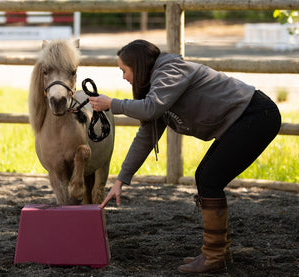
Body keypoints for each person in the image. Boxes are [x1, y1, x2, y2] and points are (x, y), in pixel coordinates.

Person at [89, 39, 281, 273]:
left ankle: (214, 256)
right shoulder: (157, 88)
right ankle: (218, 251)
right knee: (204, 176)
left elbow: (150, 108)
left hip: (255, 115)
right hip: (240, 121)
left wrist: (111, 104)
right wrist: (121, 180)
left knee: (210, 178)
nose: (123, 77)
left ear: (137, 67)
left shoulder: (171, 71)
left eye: (124, 70)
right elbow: (146, 136)